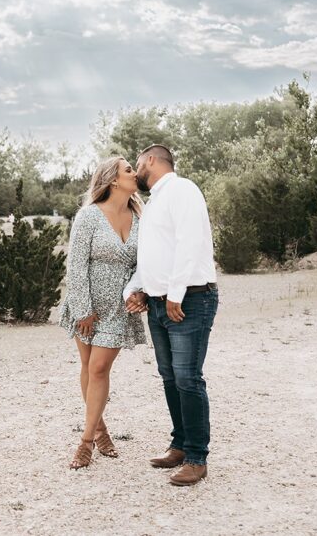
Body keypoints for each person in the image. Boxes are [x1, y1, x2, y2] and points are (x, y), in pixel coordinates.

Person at [124, 144, 218, 486]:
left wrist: (175, 293)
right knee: (169, 377)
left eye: (137, 165)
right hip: (160, 303)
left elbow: (190, 243)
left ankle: (197, 457)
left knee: (188, 378)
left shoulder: (182, 189)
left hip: (190, 300)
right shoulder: (154, 203)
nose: (136, 173)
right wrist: (136, 290)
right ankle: (180, 444)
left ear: (151, 160)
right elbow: (152, 257)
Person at [58, 156, 147, 470]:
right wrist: (82, 308)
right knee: (87, 366)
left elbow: (144, 263)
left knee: (98, 369)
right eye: (128, 170)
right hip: (87, 307)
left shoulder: (140, 214)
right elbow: (77, 266)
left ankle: (84, 443)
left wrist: (142, 292)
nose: (135, 174)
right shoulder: (88, 216)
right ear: (112, 180)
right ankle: (99, 430)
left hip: (119, 309)